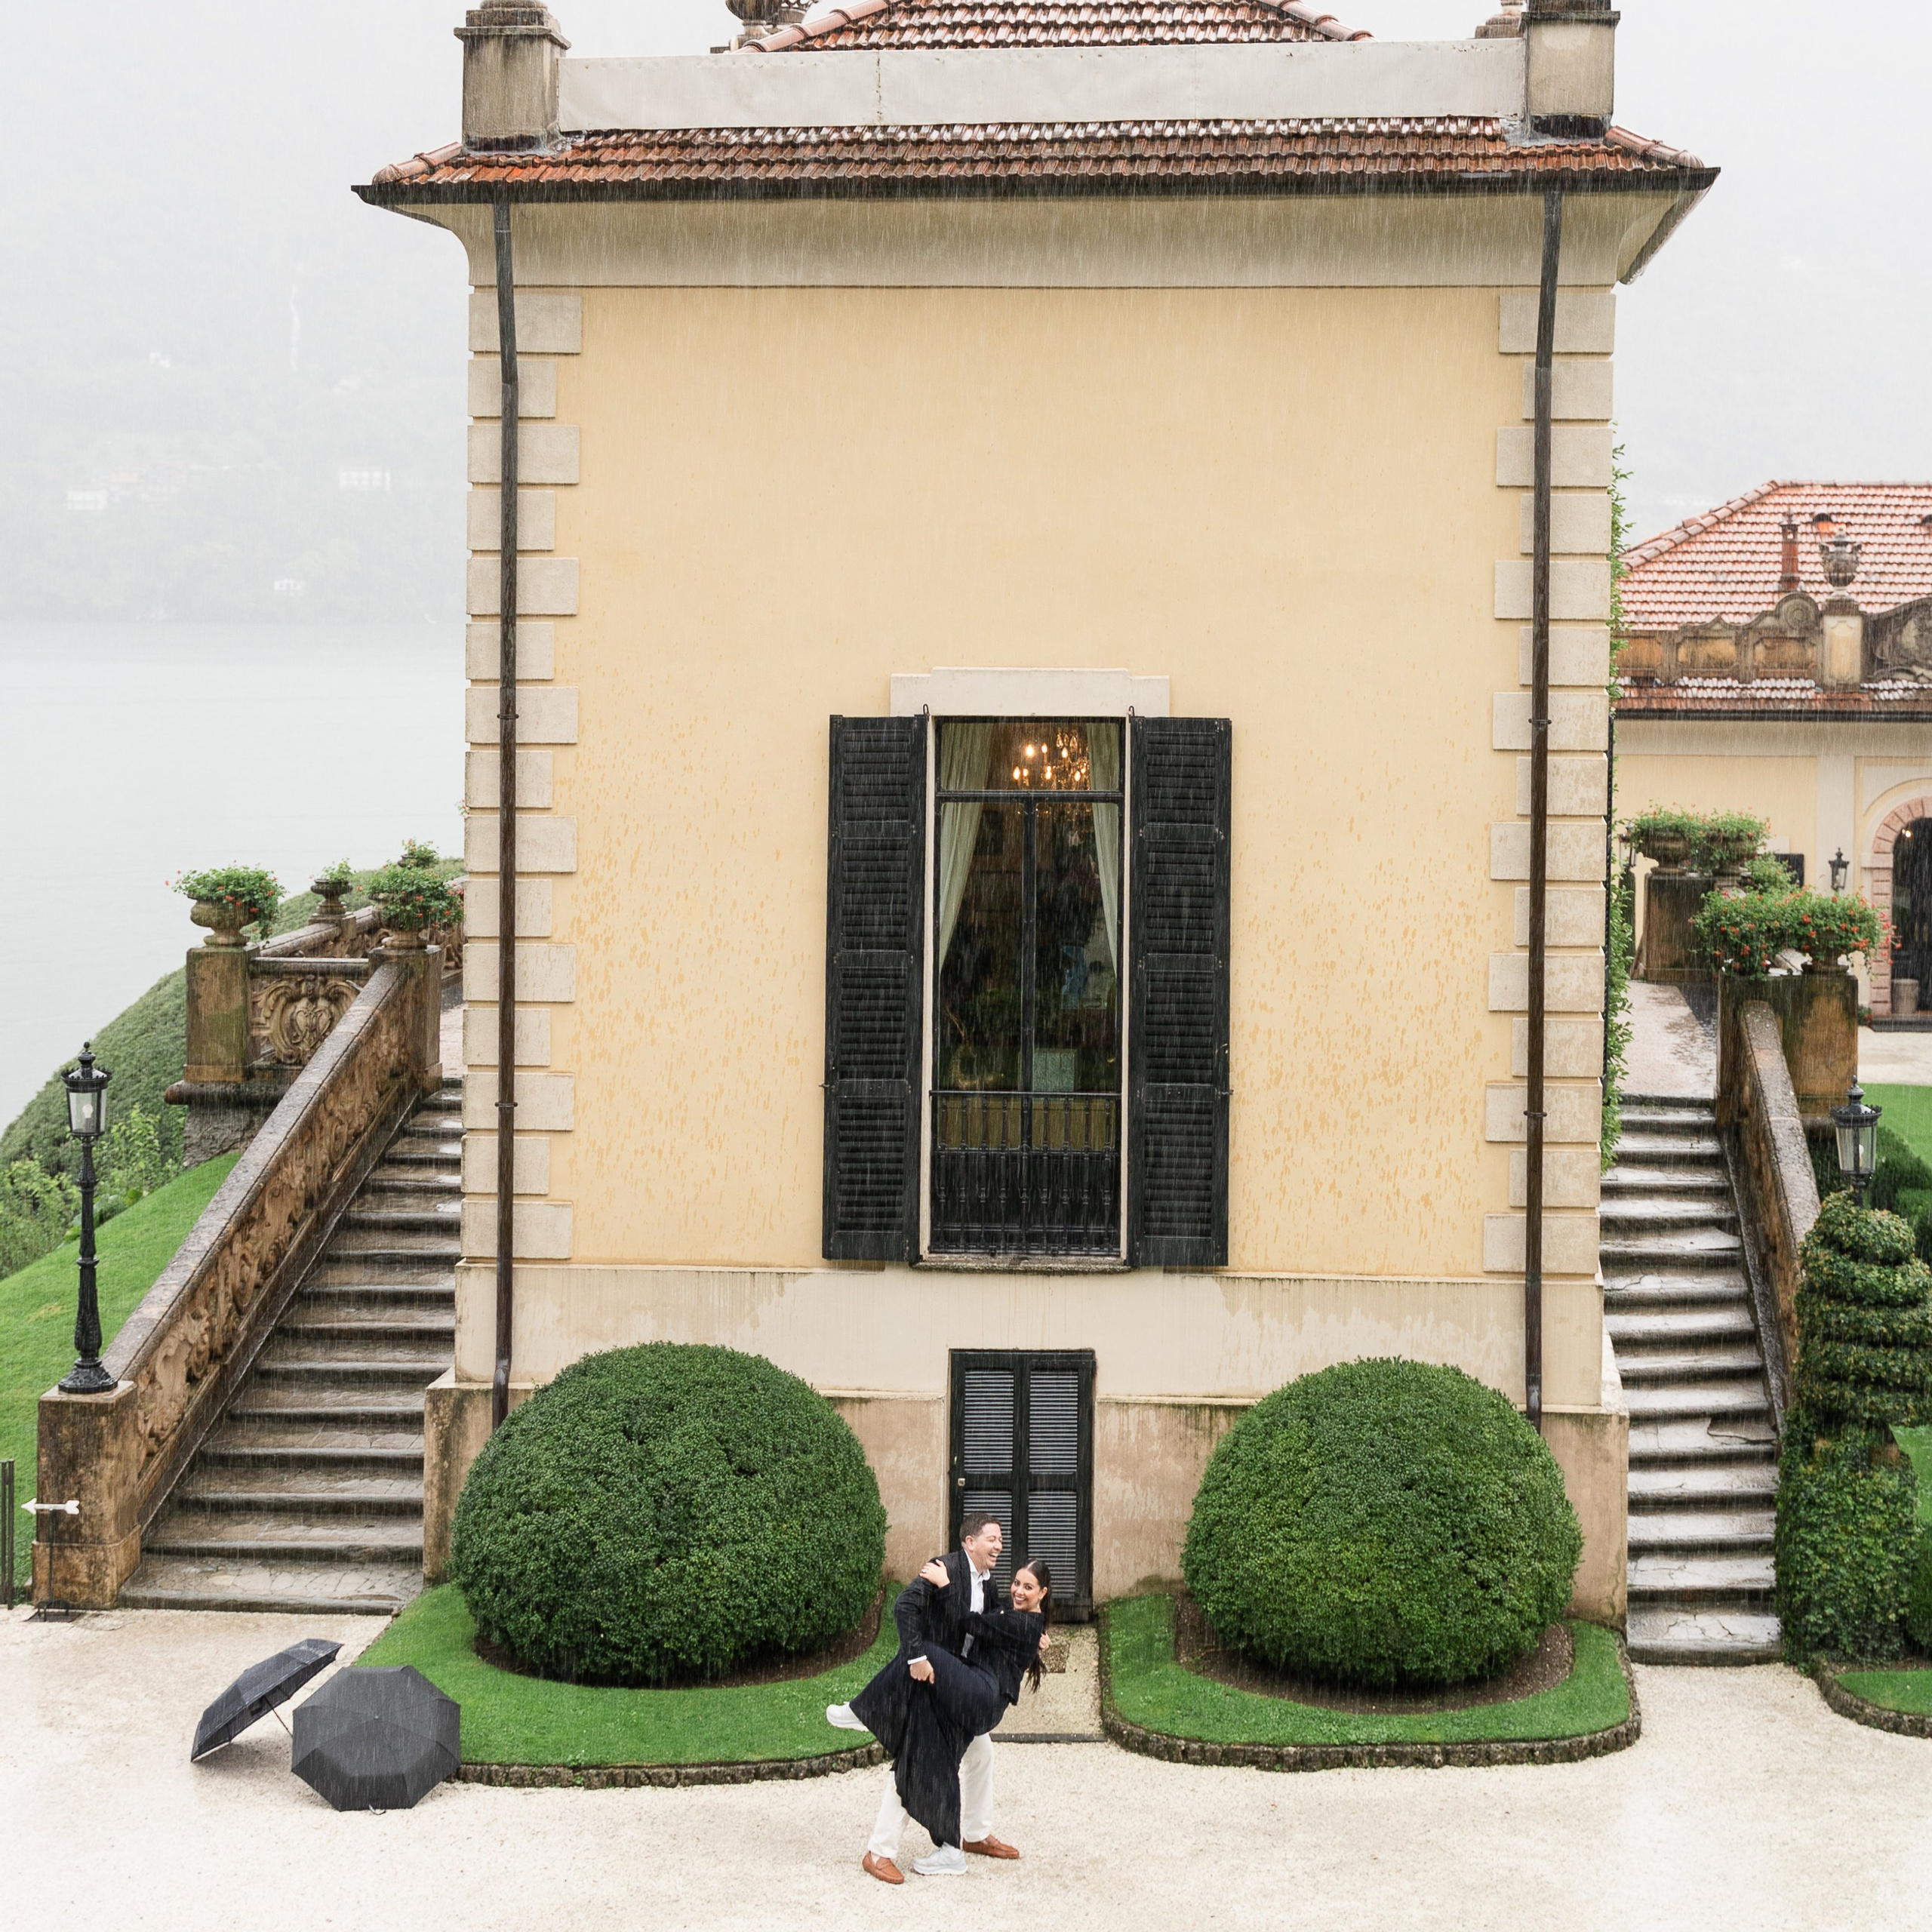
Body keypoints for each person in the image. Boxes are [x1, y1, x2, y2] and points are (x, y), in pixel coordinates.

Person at [826, 1515, 1049, 1882]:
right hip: (939, 1683)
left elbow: (986, 1623)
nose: (999, 1545)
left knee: (972, 1755)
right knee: (928, 1753)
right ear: (970, 1542)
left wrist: (1032, 1631)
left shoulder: (990, 1583)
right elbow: (904, 1607)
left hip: (964, 1685)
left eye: (1001, 1539)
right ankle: (882, 1850)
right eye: (992, 1539)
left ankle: (970, 1836)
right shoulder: (943, 1568)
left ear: (1042, 1592)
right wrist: (916, 1658)